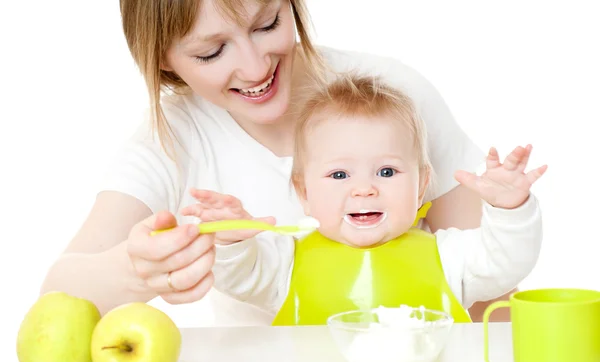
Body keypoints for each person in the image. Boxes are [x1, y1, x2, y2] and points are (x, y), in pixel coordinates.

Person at [40, 0, 512, 323]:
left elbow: (488, 291)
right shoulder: (172, 140)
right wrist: (137, 269)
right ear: (162, 59)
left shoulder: (393, 98)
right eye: (211, 51)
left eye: (267, 23)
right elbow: (55, 296)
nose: (255, 66)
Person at [181, 74, 546, 324]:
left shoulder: (448, 257)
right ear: (304, 193)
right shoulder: (286, 262)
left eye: (386, 172)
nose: (364, 189)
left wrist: (509, 209)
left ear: (420, 187)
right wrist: (231, 238)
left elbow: (505, 263)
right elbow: (241, 276)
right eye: (339, 175)